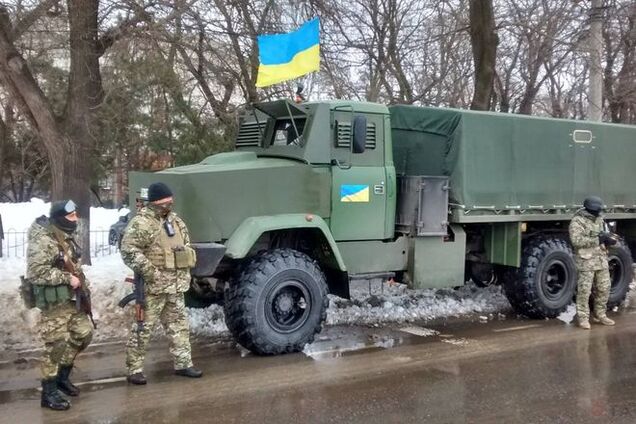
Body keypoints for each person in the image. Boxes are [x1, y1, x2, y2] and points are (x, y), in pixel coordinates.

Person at [120, 182, 202, 384]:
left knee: (179, 327)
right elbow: (129, 251)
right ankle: (134, 369)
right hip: (153, 288)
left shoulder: (176, 221)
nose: (169, 204)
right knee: (143, 328)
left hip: (175, 286)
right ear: (155, 202)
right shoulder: (142, 223)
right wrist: (151, 272)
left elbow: (185, 245)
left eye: (170, 201)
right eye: (165, 201)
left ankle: (183, 364)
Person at [26, 200, 94, 410]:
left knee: (84, 333)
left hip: (72, 299)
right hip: (55, 302)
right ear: (59, 217)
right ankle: (49, 392)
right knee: (56, 345)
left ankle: (63, 376)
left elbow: (74, 267)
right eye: (71, 216)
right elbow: (36, 272)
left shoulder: (65, 237)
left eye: (75, 215)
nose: (75, 219)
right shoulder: (44, 240)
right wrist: (67, 278)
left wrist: (84, 286)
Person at [569, 196, 617, 330]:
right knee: (584, 291)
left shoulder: (600, 219)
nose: (600, 212)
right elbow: (576, 241)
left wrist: (608, 240)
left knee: (604, 288)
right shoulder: (577, 221)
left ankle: (600, 314)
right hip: (586, 261)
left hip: (600, 260)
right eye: (598, 209)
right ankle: (583, 318)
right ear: (592, 209)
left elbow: (603, 234)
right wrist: (598, 239)